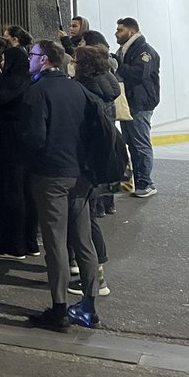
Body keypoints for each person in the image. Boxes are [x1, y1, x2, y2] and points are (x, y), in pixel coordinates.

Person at [22, 40, 100, 331]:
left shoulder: (37, 92)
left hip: (52, 175)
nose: (29, 59)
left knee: (55, 243)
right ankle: (89, 307)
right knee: (83, 241)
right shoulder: (77, 89)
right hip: (81, 175)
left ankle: (59, 309)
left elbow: (34, 138)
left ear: (44, 59)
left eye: (32, 54)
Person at [69, 45, 121, 298]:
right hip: (101, 161)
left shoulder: (87, 90)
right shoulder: (106, 85)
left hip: (87, 162)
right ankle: (90, 270)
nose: (72, 63)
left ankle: (95, 277)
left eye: (75, 60)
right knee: (88, 216)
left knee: (85, 218)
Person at [0, 46, 36, 259]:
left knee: (10, 191)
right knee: (26, 191)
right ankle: (30, 242)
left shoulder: (7, 85)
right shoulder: (31, 82)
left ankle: (13, 244)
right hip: (26, 144)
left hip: (7, 144)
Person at [115, 18, 160, 199]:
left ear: (131, 32)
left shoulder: (145, 51)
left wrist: (118, 65)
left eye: (120, 30)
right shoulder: (124, 50)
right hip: (129, 103)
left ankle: (146, 183)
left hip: (140, 104)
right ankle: (140, 181)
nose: (116, 33)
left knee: (140, 144)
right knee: (132, 144)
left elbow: (139, 73)